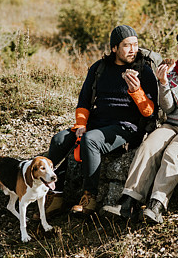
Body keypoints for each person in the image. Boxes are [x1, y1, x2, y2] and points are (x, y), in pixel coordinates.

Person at [102, 26, 178, 224]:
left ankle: (156, 205)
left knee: (174, 151)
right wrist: (164, 84)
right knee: (149, 145)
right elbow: (168, 109)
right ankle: (128, 202)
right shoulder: (174, 71)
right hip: (172, 124)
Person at [42, 25, 158, 217]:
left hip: (126, 126)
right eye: (127, 45)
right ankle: (50, 190)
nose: (133, 50)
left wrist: (136, 91)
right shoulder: (99, 68)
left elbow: (149, 113)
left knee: (91, 140)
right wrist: (81, 124)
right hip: (98, 122)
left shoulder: (143, 71)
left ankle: (90, 197)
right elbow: (84, 101)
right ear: (114, 48)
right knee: (59, 140)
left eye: (135, 45)